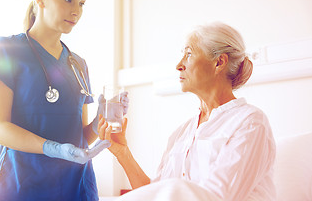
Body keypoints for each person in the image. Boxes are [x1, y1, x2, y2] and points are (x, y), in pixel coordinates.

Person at [0, 0, 128, 201]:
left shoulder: (78, 64)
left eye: (82, 3)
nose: (76, 11)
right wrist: (53, 148)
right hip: (25, 185)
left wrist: (101, 120)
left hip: (77, 187)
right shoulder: (7, 51)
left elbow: (80, 137)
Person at [98, 22, 276, 201]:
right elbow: (154, 193)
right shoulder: (181, 133)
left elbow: (218, 197)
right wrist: (123, 152)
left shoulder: (250, 123)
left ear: (219, 62)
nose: (179, 65)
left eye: (189, 54)